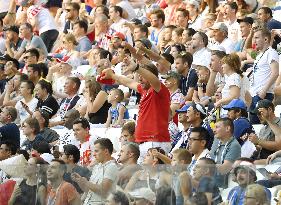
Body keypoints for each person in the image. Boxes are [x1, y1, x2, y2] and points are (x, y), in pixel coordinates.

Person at [102, 57, 171, 162]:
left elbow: (154, 80)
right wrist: (112, 75)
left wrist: (137, 67)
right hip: (145, 143)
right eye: (139, 76)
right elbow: (129, 83)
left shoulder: (159, 89)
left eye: (142, 76)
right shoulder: (144, 90)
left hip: (155, 143)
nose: (140, 79)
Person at [72, 138, 118, 204]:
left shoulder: (111, 166)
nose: (93, 154)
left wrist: (86, 182)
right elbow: (89, 191)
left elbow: (103, 191)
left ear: (106, 151)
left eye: (96, 151)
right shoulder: (97, 166)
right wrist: (80, 181)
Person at [249, 28, 279, 124]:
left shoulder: (271, 52)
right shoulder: (260, 55)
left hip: (264, 95)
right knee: (255, 126)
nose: (254, 41)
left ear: (266, 39)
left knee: (262, 125)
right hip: (255, 94)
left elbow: (275, 73)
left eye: (257, 37)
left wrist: (264, 90)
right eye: (254, 38)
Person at [210, 117, 241, 188]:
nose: (214, 130)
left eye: (217, 127)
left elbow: (225, 168)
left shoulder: (234, 145)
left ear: (227, 128)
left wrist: (204, 166)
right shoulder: (216, 140)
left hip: (220, 187)